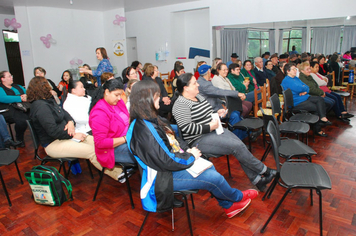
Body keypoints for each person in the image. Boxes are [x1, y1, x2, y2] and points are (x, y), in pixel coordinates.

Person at [127, 79, 258, 217]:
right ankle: (236, 197)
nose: (160, 99)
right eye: (157, 96)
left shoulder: (149, 119)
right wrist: (190, 156)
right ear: (147, 99)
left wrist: (186, 150)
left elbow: (172, 140)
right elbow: (165, 161)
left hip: (168, 167)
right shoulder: (144, 130)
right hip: (162, 178)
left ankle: (229, 205)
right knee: (214, 178)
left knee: (209, 167)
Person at [172, 73, 276, 191]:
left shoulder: (198, 96)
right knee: (236, 146)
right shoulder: (180, 104)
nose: (198, 84)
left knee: (239, 145)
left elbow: (207, 112)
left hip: (213, 131)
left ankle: (258, 180)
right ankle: (265, 171)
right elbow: (187, 128)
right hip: (198, 139)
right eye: (195, 83)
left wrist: (218, 113)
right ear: (186, 88)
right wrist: (209, 127)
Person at [27, 76, 122, 180]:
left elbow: (65, 113)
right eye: (48, 85)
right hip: (54, 143)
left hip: (66, 136)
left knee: (99, 142)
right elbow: (53, 131)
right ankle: (119, 174)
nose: (51, 88)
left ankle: (118, 167)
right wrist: (74, 135)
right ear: (42, 87)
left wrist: (70, 122)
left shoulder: (48, 102)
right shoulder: (41, 107)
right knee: (93, 151)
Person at [89, 79, 136, 182]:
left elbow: (126, 120)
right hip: (111, 150)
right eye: (116, 95)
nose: (119, 98)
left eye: (120, 95)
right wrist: (125, 138)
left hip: (125, 140)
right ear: (106, 92)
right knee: (145, 152)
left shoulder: (117, 103)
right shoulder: (99, 112)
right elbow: (101, 143)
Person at [281, 63, 331, 137]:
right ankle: (318, 128)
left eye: (295, 69)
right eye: (293, 69)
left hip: (304, 97)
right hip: (296, 102)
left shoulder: (295, 78)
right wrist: (303, 89)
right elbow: (299, 88)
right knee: (317, 107)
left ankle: (322, 118)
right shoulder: (287, 80)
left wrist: (305, 90)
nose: (295, 71)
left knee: (320, 99)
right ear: (288, 71)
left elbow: (307, 87)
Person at [0, 70, 28, 146]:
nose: (11, 77)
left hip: (23, 107)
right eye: (9, 76)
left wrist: (26, 96)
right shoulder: (1, 88)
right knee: (22, 120)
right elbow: (3, 98)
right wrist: (20, 98)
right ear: (3, 79)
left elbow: (27, 93)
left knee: (35, 116)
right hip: (9, 110)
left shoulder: (18, 86)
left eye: (11, 76)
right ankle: (19, 139)